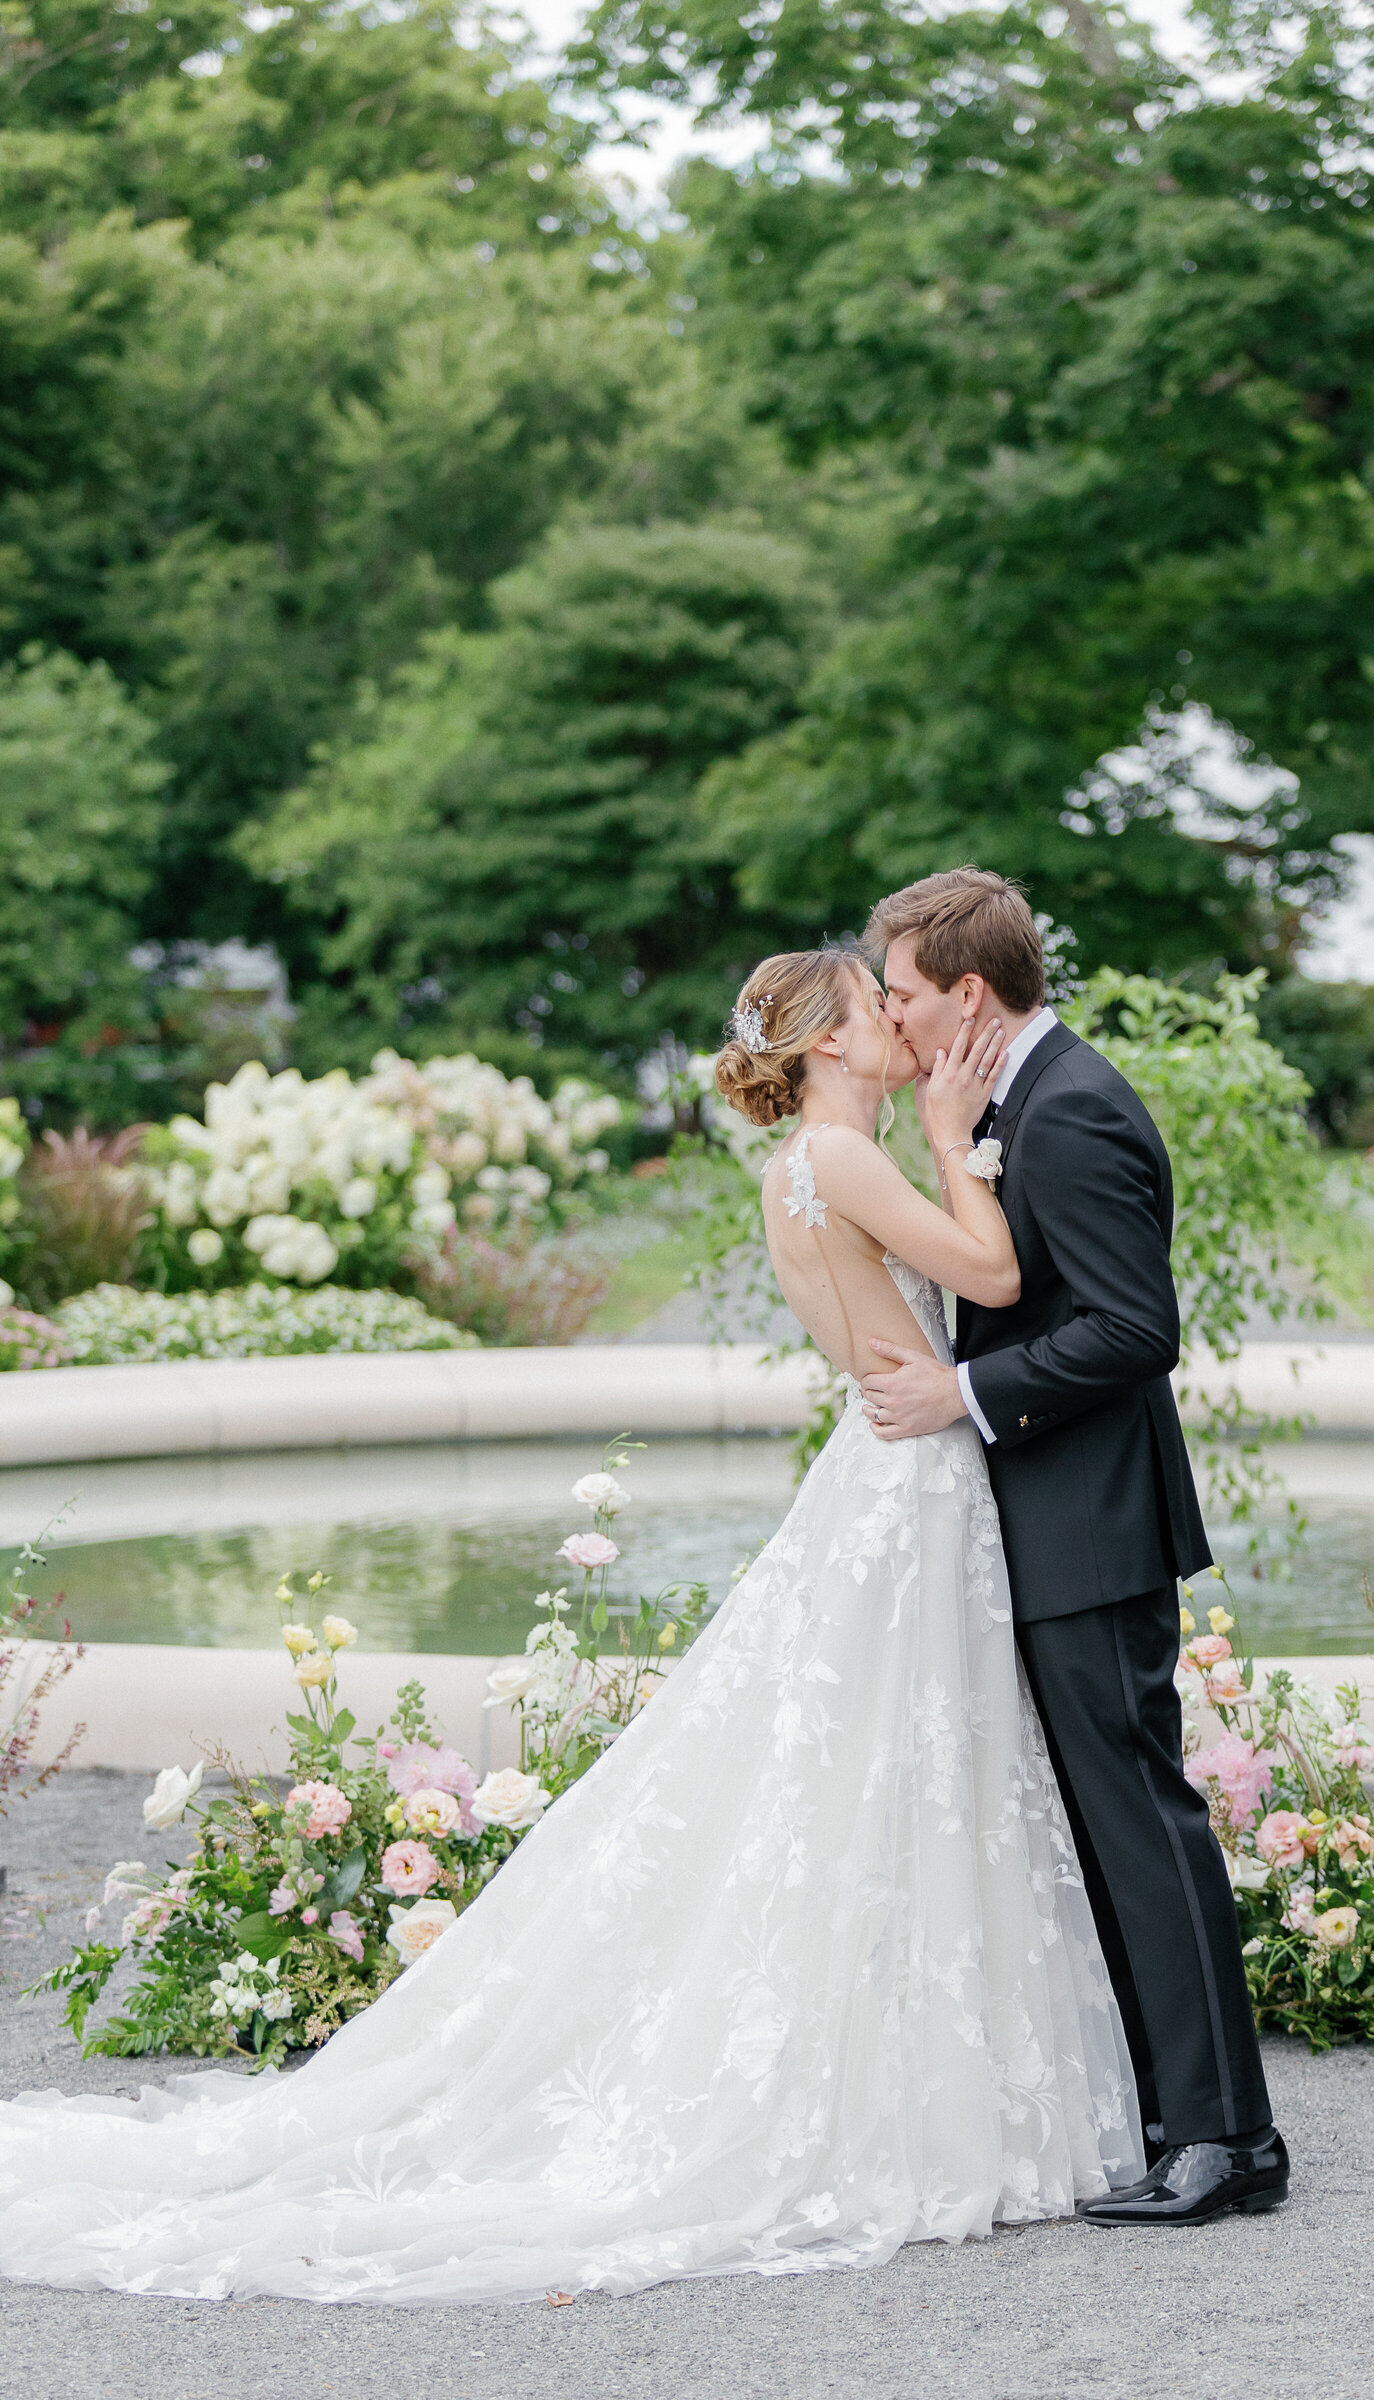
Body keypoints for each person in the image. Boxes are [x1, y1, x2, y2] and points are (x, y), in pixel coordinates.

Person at [0, 946, 1142, 2307]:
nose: (903, 1025)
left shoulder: (800, 1164)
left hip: (886, 1466)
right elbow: (998, 1280)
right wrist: (959, 1142)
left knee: (876, 1768)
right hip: (915, 1470)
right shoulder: (844, 1161)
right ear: (829, 1044)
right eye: (875, 1007)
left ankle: (903, 2061)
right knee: (896, 1766)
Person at [859, 868, 1290, 2227]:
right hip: (1049, 1524)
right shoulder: (1007, 1103)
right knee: (1108, 1832)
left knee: (1143, 1826)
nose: (894, 1015)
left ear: (969, 994)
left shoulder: (1074, 1111)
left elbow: (1133, 1329)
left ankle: (1229, 2140)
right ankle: (1180, 2113)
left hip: (1091, 1526)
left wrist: (961, 1396)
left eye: (907, 995)